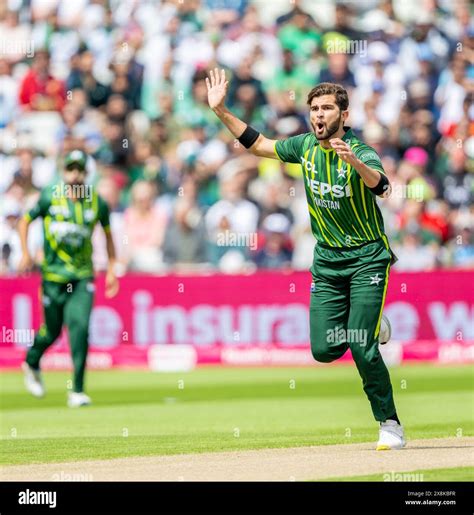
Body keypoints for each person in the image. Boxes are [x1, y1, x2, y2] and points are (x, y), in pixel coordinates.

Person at [206, 69, 404, 451]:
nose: (318, 115)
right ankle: (375, 321)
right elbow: (259, 144)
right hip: (328, 263)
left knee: (361, 345)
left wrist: (355, 164)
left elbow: (383, 186)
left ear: (343, 116)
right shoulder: (305, 147)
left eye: (327, 108)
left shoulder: (360, 150)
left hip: (366, 259)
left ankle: (389, 423)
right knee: (324, 349)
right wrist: (221, 110)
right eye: (314, 108)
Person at [17, 150, 119, 407]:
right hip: (52, 277)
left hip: (83, 276)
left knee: (80, 328)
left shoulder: (96, 203)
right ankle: (31, 361)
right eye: (70, 169)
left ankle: (77, 390)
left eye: (79, 170)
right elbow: (24, 222)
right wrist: (26, 253)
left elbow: (108, 235)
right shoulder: (50, 196)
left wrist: (111, 269)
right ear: (63, 172)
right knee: (50, 332)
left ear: (86, 173)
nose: (74, 175)